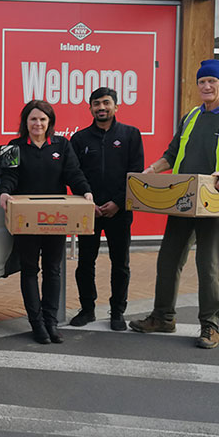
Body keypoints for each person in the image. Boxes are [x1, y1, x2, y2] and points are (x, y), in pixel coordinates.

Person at [129, 59, 219, 349]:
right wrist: (152, 170)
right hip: (184, 201)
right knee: (168, 260)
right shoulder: (191, 117)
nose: (206, 86)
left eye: (212, 81)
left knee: (208, 266)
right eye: (202, 82)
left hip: (217, 204)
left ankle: (211, 325)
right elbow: (172, 153)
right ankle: (163, 317)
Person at [0, 100, 93, 345]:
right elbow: (9, 176)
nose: (38, 123)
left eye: (42, 119)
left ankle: (51, 322)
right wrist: (5, 192)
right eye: (33, 119)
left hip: (56, 217)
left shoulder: (62, 145)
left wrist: (85, 191)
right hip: (26, 218)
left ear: (49, 122)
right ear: (26, 122)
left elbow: (73, 173)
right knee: (30, 269)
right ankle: (37, 323)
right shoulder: (13, 147)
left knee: (53, 269)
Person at [70, 87, 144, 331]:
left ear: (116, 106)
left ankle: (117, 312)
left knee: (120, 263)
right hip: (89, 211)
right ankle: (87, 309)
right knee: (85, 262)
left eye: (106, 103)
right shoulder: (79, 139)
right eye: (96, 104)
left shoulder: (131, 135)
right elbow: (74, 174)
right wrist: (87, 202)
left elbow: (135, 173)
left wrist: (118, 203)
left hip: (119, 211)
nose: (101, 107)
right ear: (90, 108)